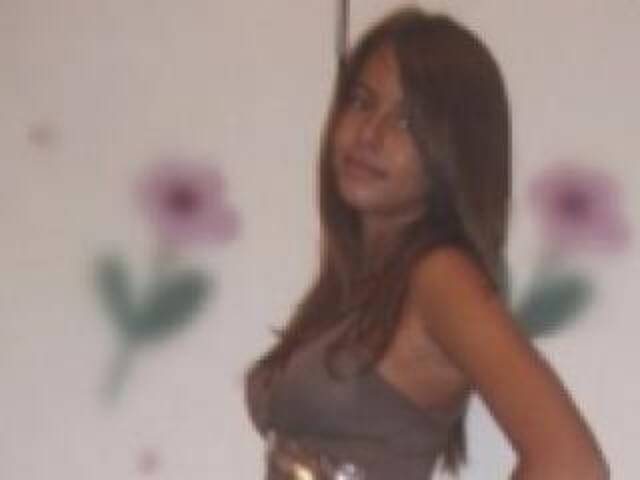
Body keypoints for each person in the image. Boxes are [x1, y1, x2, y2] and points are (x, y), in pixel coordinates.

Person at [245, 7, 609, 480]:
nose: (369, 135)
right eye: (362, 101)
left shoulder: (439, 278)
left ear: (454, 150)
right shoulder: (355, 283)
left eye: (406, 122)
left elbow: (573, 464)